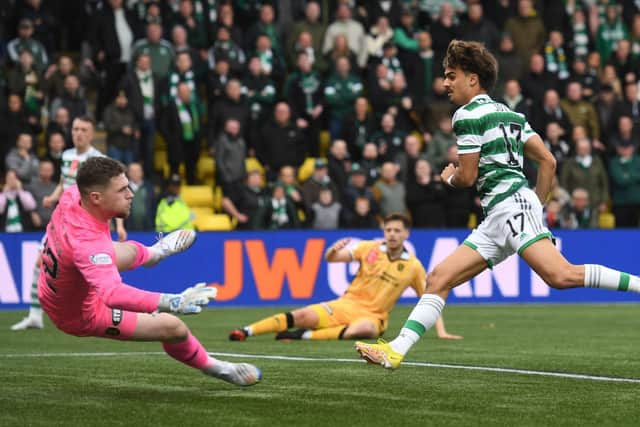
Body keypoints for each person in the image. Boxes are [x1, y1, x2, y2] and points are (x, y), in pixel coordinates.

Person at [355, 40, 640, 370]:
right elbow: (547, 161)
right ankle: (395, 351)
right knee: (438, 278)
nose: (445, 83)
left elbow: (467, 176)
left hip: (509, 209)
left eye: (451, 75)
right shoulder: (511, 114)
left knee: (561, 276)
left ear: (472, 79)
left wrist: (448, 176)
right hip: (501, 214)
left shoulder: (466, 115)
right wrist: (535, 204)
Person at [37, 156, 260, 386]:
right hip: (80, 315)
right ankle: (219, 369)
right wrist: (172, 301)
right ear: (96, 197)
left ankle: (156, 252)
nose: (131, 194)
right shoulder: (89, 245)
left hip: (59, 281)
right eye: (122, 189)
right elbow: (112, 294)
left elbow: (70, 187)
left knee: (124, 253)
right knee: (173, 327)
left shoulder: (73, 196)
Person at [228, 213, 461, 341]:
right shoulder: (368, 248)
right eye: (388, 230)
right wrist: (332, 250)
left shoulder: (413, 266)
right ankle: (247, 331)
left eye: (397, 230)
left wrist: (441, 330)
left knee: (365, 331)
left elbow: (429, 299)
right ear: (384, 232)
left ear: (406, 234)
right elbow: (333, 259)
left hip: (373, 317)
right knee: (301, 314)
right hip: (344, 305)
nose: (392, 234)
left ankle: (303, 336)